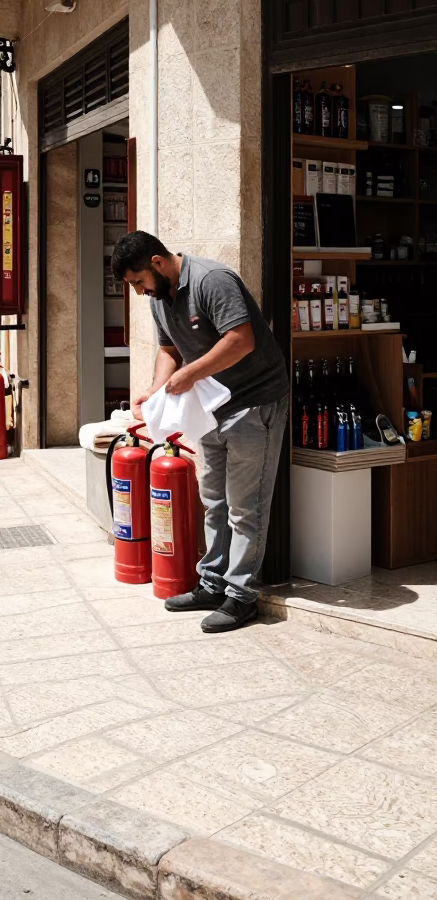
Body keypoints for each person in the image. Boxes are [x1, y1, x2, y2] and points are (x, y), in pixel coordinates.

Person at [111, 231, 289, 634]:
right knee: (213, 500)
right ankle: (211, 584)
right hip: (208, 409)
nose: (139, 293)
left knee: (246, 506)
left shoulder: (212, 280)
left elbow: (240, 341)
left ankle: (241, 597)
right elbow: (169, 351)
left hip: (253, 401)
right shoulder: (160, 299)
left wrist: (189, 375)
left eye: (139, 282)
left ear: (157, 263)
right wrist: (157, 390)